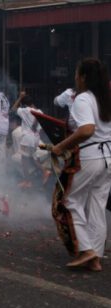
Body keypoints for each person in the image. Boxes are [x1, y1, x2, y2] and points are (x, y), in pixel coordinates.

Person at [51, 58, 111, 271]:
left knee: (66, 201)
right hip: (108, 160)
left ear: (84, 77)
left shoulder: (83, 99)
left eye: (77, 74)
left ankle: (86, 250)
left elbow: (86, 130)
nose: (75, 78)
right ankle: (94, 258)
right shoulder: (105, 98)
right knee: (97, 206)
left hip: (90, 157)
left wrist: (60, 147)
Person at [10, 92, 49, 188]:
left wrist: (20, 97)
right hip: (36, 138)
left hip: (27, 138)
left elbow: (13, 109)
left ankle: (28, 180)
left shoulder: (25, 111)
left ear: (23, 104)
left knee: (24, 160)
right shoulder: (39, 112)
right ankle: (43, 173)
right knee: (31, 158)